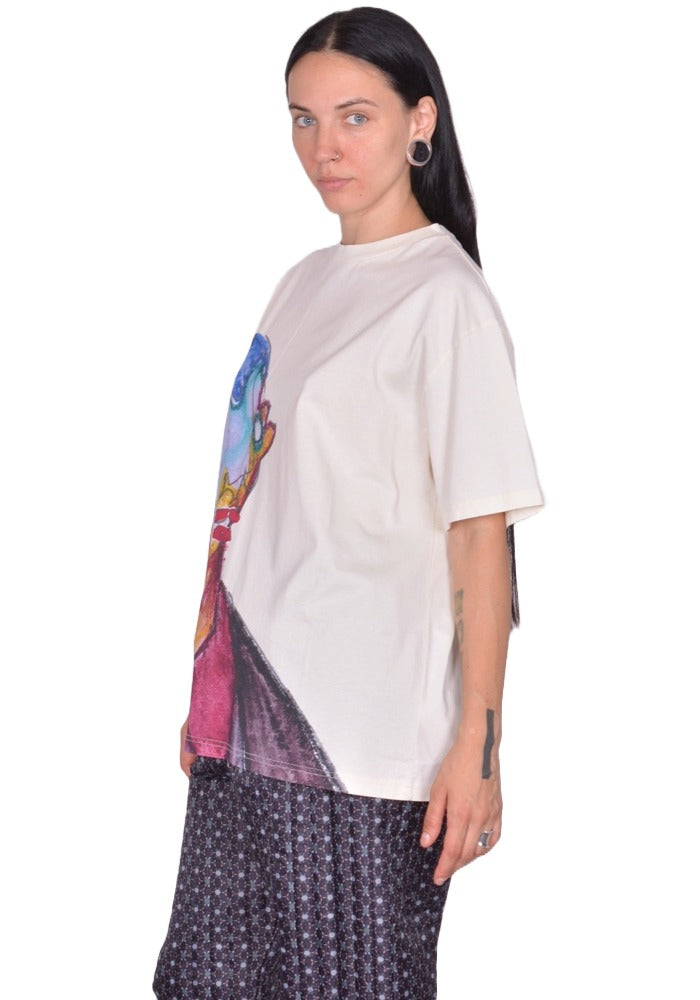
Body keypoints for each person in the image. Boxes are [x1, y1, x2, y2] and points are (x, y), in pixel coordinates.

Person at [152, 6, 545, 999]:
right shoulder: (302, 284)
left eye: (355, 117)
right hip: (248, 725)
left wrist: (479, 747)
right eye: (303, 119)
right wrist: (209, 691)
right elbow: (247, 504)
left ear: (421, 121)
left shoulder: (444, 297)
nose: (323, 147)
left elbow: (479, 535)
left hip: (361, 747)